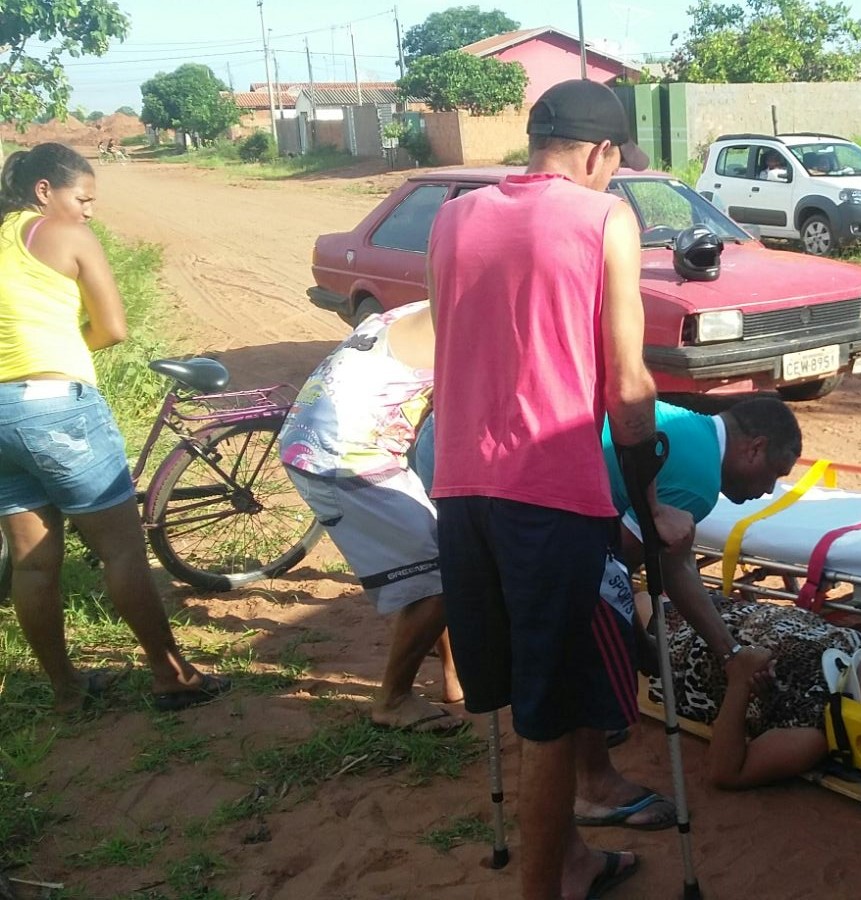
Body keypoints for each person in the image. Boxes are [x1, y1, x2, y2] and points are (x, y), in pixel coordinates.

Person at [426, 79, 661, 900]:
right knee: (554, 715)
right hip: (551, 492)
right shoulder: (606, 219)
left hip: (459, 485)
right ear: (600, 154)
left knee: (514, 698)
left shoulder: (452, 217)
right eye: (615, 163)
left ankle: (569, 862)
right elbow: (627, 386)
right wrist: (642, 494)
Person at [413, 396, 803, 825]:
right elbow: (607, 569)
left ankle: (578, 738)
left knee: (549, 607)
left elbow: (671, 563)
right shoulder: (700, 481)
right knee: (579, 621)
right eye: (773, 475)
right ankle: (592, 783)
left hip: (459, 437)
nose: (767, 491)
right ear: (754, 447)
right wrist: (640, 643)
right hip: (501, 466)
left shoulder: (689, 426)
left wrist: (722, 650)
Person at [0, 142, 230, 715]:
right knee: (122, 549)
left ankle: (67, 693)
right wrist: (71, 347)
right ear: (45, 192)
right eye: (83, 198)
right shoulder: (65, 236)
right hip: (55, 404)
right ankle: (171, 675)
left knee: (31, 561)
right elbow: (113, 328)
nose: (89, 211)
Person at [278, 300, 461, 733]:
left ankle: (454, 676)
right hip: (343, 453)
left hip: (320, 435)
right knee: (443, 577)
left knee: (436, 555)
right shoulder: (475, 323)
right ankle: (393, 700)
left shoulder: (433, 304)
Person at [643, 596, 861, 790]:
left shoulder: (815, 730)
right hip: (723, 612)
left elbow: (726, 772)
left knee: (631, 602)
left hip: (687, 643)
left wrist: (739, 682)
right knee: (633, 593)